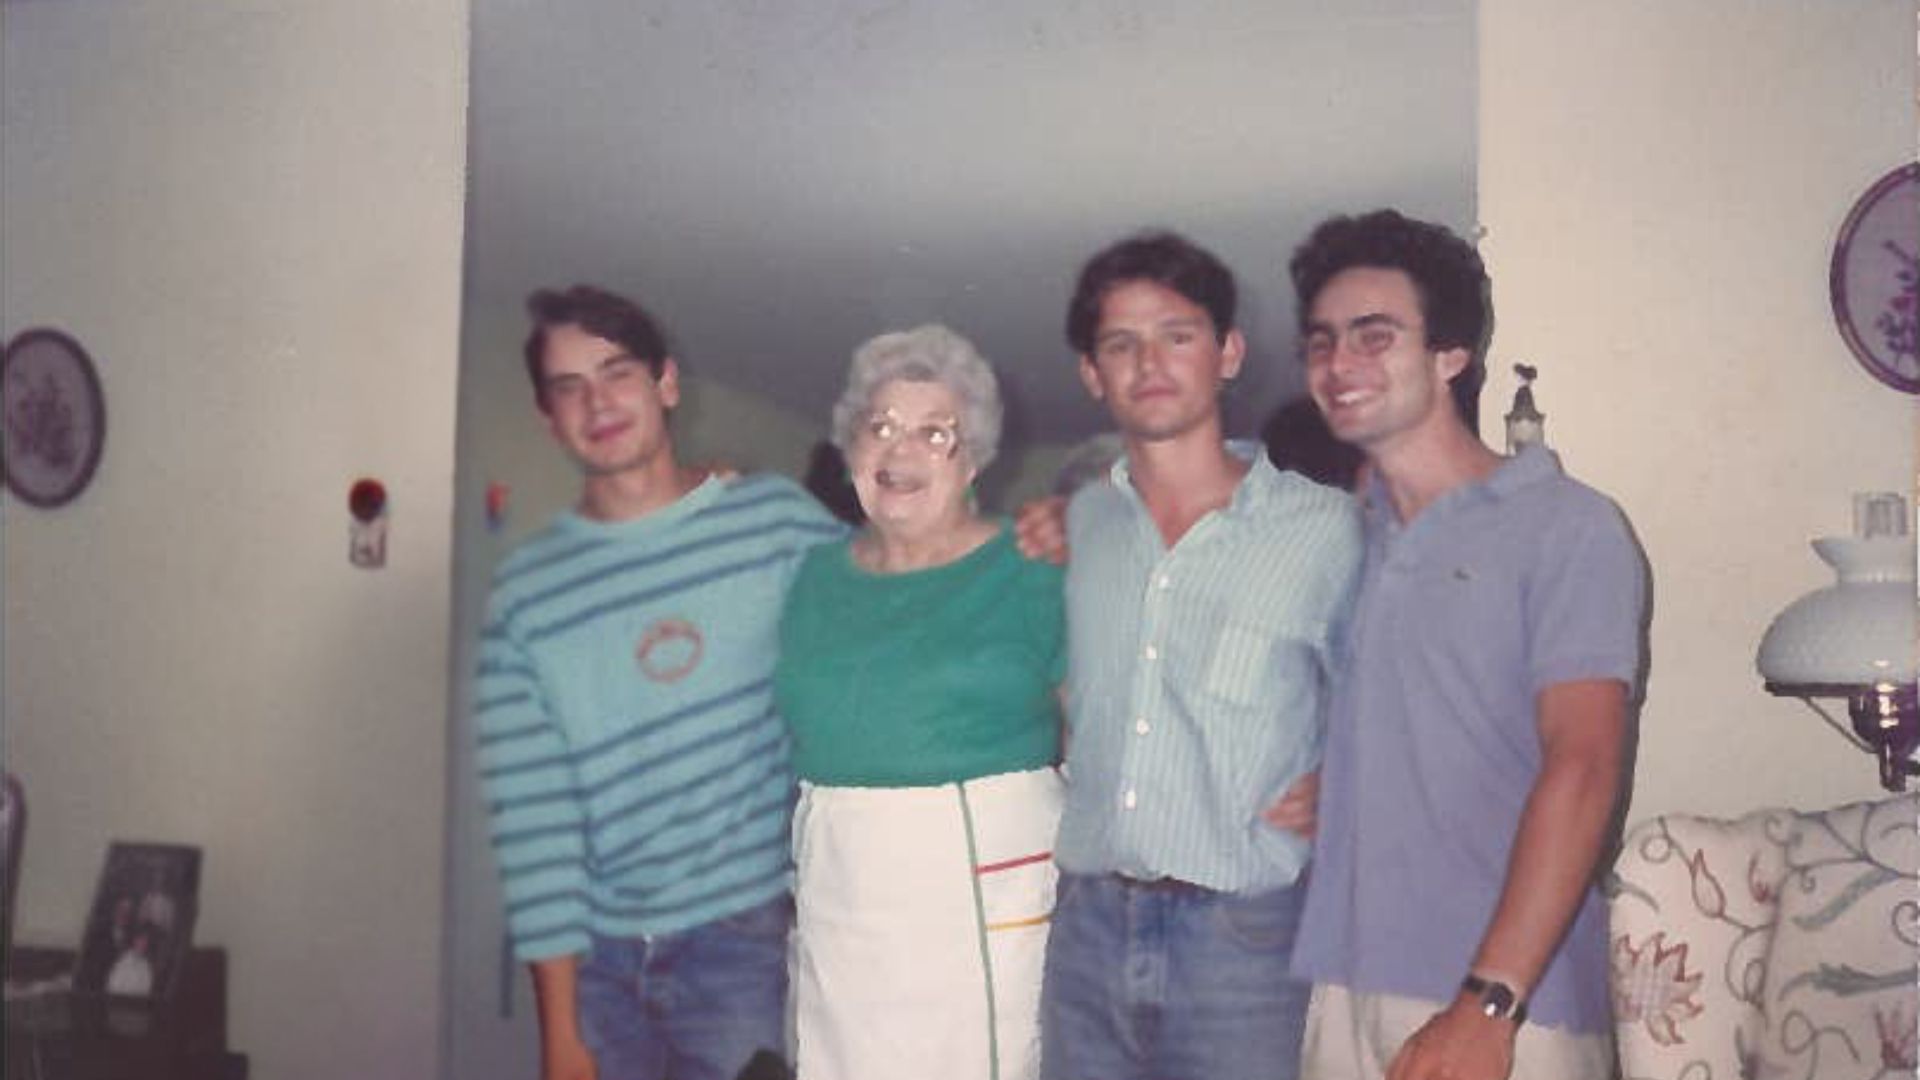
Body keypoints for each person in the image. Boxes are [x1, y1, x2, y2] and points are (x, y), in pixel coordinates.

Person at [1287, 209, 1646, 1080]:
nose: (1339, 365)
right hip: (1341, 992)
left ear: (1452, 354)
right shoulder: (1340, 542)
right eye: (1323, 341)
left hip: (1501, 1006)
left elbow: (1585, 765)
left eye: (1375, 337)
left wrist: (1489, 1002)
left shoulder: (1567, 526)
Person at [473, 285, 845, 1080]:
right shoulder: (526, 597)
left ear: (665, 383)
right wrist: (560, 1030)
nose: (597, 402)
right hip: (601, 972)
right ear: (548, 418)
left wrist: (1031, 538)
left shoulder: (773, 521)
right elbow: (535, 826)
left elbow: (894, 594)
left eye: (616, 373)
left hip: (747, 951)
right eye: (568, 388)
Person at [1039, 230, 1362, 1080]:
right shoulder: (1073, 528)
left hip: (1246, 940)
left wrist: (1356, 781)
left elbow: (1401, 693)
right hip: (1083, 930)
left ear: (1227, 352)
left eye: (1177, 334)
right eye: (1121, 342)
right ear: (1092, 373)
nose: (1149, 360)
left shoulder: (1327, 529)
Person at [775, 324, 1066, 1080]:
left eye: (936, 433)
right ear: (850, 449)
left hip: (979, 881)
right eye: (882, 427)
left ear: (973, 459)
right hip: (840, 884)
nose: (901, 451)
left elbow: (1107, 727)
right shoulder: (812, 576)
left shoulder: (1033, 565)